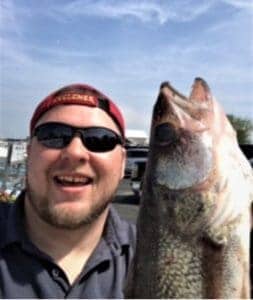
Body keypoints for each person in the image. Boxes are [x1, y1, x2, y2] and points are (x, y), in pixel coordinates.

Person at [0, 83, 136, 298]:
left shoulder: (156, 257)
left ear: (122, 164)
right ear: (29, 153)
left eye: (100, 139)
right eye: (53, 135)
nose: (74, 152)